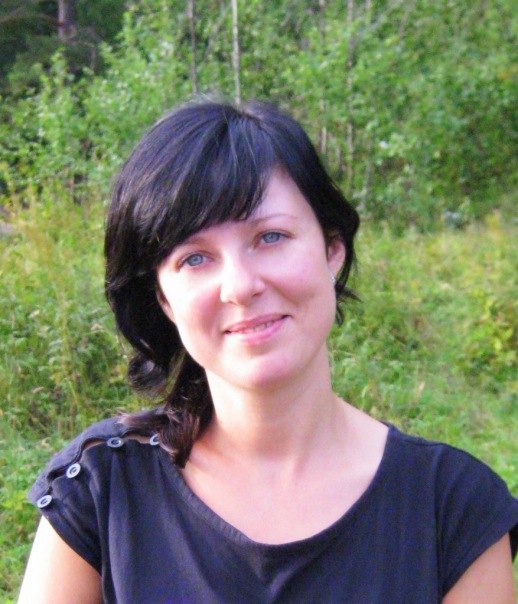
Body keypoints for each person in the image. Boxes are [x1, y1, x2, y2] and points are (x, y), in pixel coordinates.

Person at [19, 99, 517, 604]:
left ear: (332, 249)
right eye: (195, 258)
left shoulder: (453, 509)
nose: (240, 286)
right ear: (163, 298)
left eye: (270, 236)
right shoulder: (103, 489)